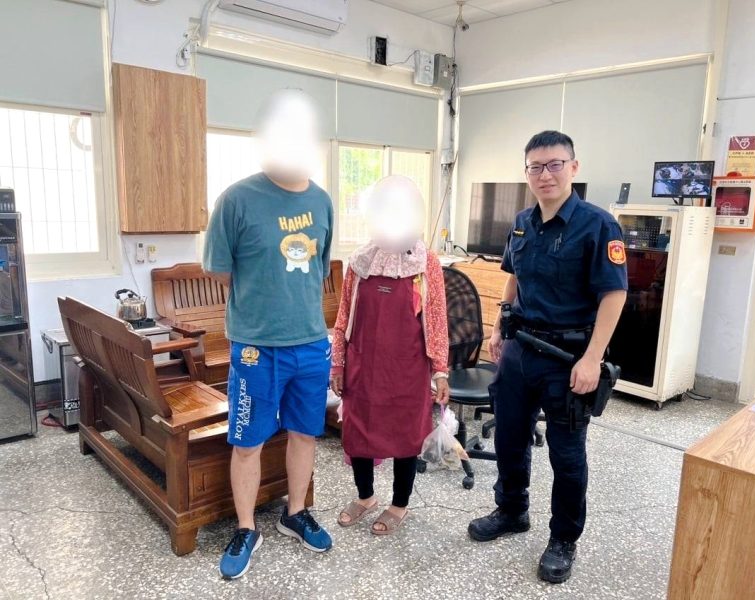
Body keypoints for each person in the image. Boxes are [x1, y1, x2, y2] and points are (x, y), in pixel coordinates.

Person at [467, 131, 628, 584]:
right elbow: (513, 276)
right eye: (536, 167)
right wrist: (499, 326)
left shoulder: (599, 226)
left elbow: (614, 295)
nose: (545, 174)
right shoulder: (523, 221)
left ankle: (563, 540)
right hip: (520, 350)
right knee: (509, 438)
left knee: (567, 455)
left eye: (555, 164)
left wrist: (592, 358)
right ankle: (511, 510)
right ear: (527, 173)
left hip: (567, 357)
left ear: (573, 168)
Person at [204, 90, 334, 580]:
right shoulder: (236, 200)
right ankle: (246, 528)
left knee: (304, 434)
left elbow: (319, 269)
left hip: (311, 344)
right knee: (248, 442)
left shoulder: (322, 201)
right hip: (256, 348)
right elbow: (221, 271)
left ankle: (295, 513)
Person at [330, 175, 450, 535]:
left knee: (404, 437)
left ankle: (399, 504)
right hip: (363, 364)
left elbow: (437, 318)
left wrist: (440, 370)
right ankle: (365, 497)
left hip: (408, 368)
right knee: (359, 432)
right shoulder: (360, 261)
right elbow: (343, 316)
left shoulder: (426, 263)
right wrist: (338, 362)